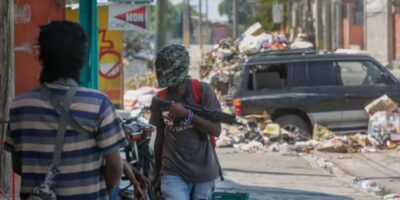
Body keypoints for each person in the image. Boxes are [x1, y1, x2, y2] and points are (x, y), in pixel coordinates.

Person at [4, 21, 127, 199]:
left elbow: (18, 165)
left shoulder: (19, 106)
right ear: (82, 59)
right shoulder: (99, 103)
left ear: (42, 55)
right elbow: (115, 168)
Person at [150, 44, 222, 200]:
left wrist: (187, 115)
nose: (161, 71)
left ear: (179, 66)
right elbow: (159, 139)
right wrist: (156, 175)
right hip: (172, 171)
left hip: (204, 173)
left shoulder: (203, 91)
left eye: (165, 66)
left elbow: (216, 130)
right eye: (159, 66)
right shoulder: (160, 99)